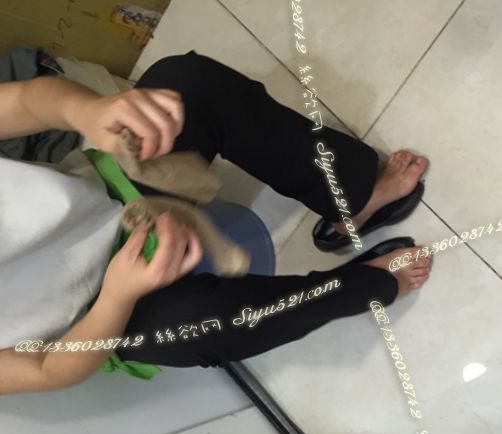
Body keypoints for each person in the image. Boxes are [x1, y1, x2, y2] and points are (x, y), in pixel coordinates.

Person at [0, 52, 431, 395]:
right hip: (105, 314)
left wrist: (88, 111)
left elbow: (23, 102)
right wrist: (117, 296)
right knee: (212, 328)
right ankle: (364, 285)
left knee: (187, 85)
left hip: (112, 196)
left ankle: (352, 200)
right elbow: (48, 370)